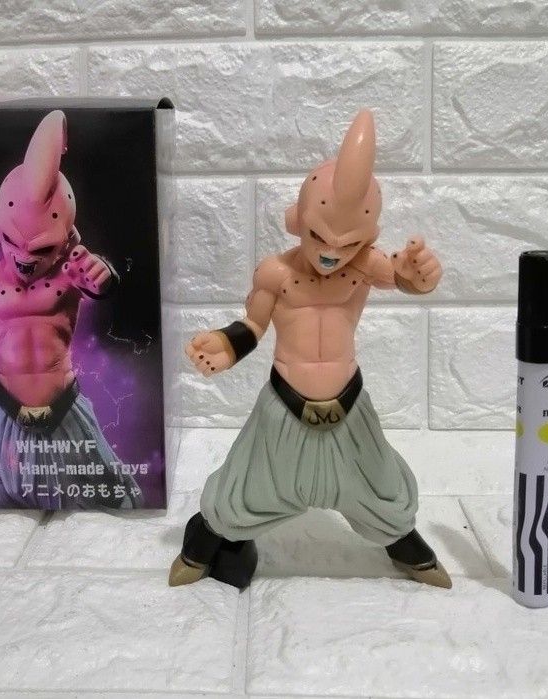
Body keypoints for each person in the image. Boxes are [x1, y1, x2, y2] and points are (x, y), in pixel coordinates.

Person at [170, 109, 449, 589]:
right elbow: (252, 326)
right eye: (319, 236)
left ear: (368, 238)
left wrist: (419, 274)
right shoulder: (275, 273)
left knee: (382, 486)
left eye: (349, 243)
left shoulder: (365, 265)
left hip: (350, 407)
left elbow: (404, 279)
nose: (331, 253)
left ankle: (403, 543)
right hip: (285, 408)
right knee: (245, 489)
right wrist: (223, 346)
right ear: (297, 221)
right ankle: (204, 540)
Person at [0, 111, 142, 510]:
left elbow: (98, 282)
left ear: (66, 239)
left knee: (108, 501)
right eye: (14, 242)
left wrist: (102, 273)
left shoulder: (70, 273)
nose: (26, 258)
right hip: (5, 415)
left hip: (66, 411)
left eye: (42, 248)